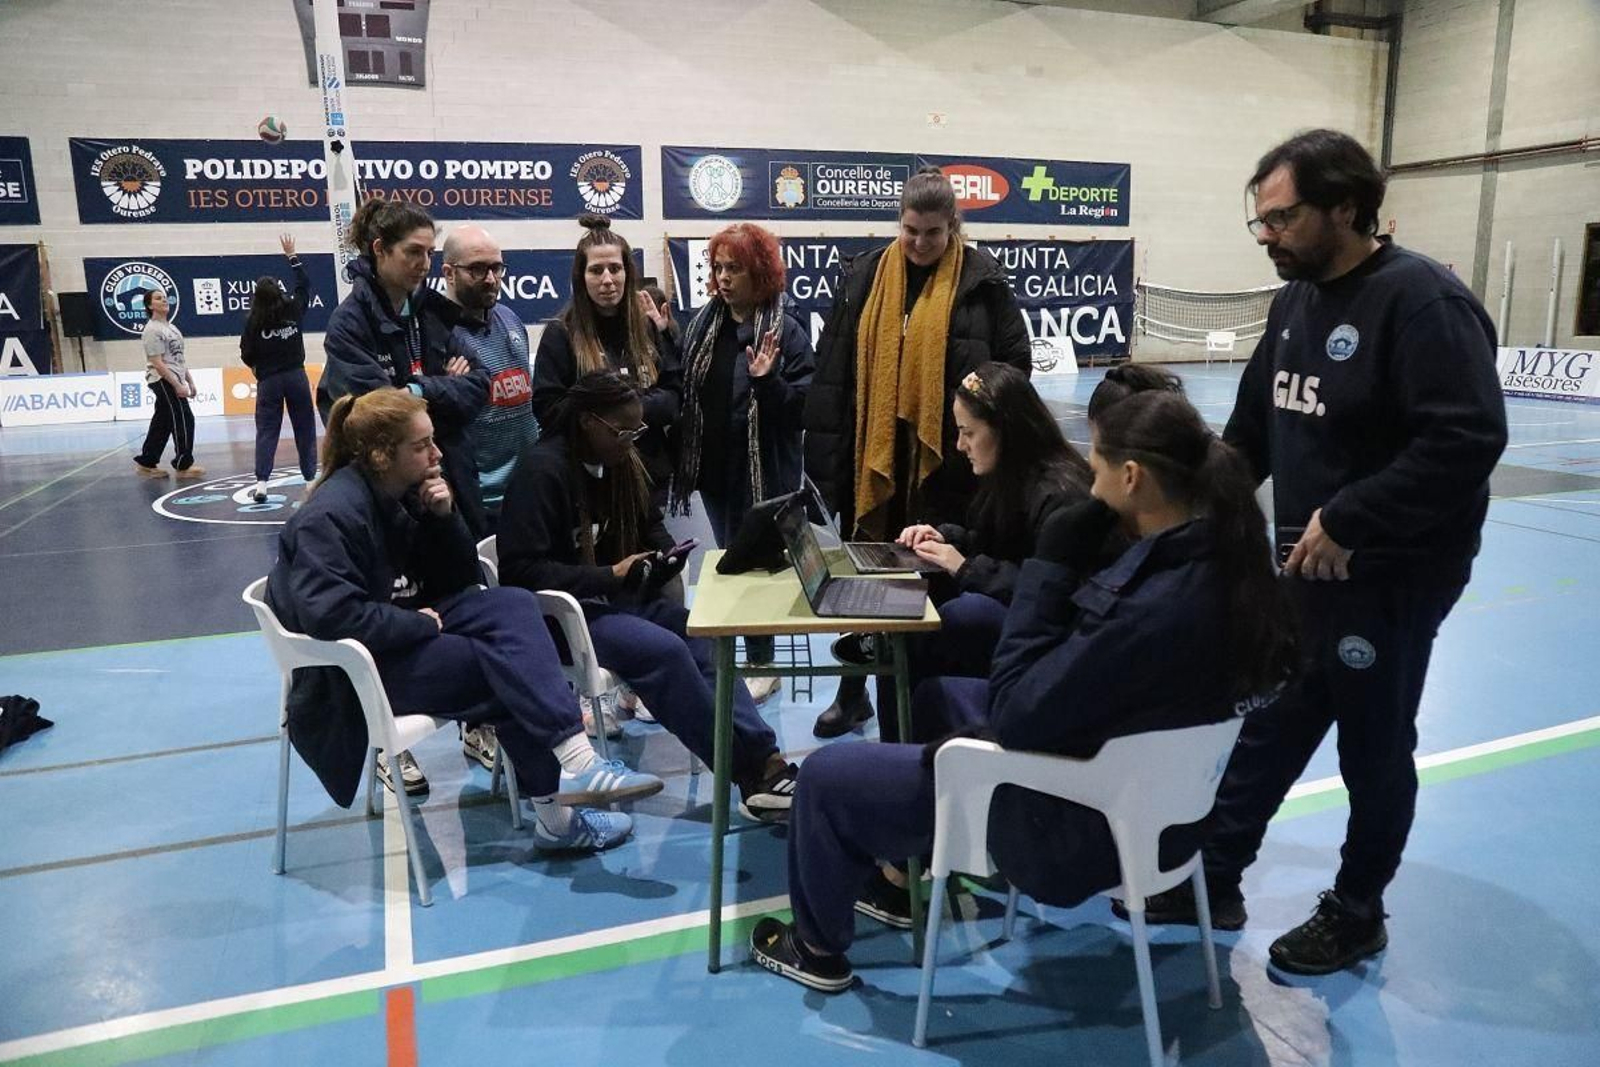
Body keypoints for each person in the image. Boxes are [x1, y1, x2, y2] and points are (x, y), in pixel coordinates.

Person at [750, 389, 1298, 992]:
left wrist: (1050, 570)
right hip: (1165, 811)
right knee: (936, 700)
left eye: (1098, 474)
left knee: (827, 779)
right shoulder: (1230, 566)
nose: (1091, 492)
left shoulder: (1149, 609)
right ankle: (911, 864)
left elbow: (1015, 711)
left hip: (1076, 829)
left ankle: (817, 951)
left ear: (1133, 477)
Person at [1123, 129, 1509, 976]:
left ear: (1345, 207)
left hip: (1392, 575)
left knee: (1372, 745)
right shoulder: (1293, 304)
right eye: (1258, 220)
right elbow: (1252, 433)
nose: (1266, 236)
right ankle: (1213, 876)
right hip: (1304, 569)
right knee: (1269, 721)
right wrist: (1182, 509)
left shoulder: (1422, 303)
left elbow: (1467, 437)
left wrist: (1353, 517)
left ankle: (1359, 909)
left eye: (1283, 218)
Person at [264, 388, 663, 854]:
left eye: (434, 441)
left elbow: (459, 582)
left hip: (393, 635)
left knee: (513, 604)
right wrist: (419, 625)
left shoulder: (399, 493)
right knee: (504, 671)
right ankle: (560, 811)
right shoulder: (331, 515)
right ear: (379, 455)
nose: (437, 454)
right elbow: (331, 616)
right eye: (422, 446)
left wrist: (443, 517)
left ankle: (575, 766)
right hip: (350, 674)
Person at [497, 371, 800, 822]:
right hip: (559, 620)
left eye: (638, 430)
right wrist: (607, 575)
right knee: (665, 652)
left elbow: (649, 524)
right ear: (588, 423)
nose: (631, 440)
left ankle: (765, 757)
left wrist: (664, 556)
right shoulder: (542, 471)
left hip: (611, 601)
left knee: (704, 634)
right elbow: (520, 572)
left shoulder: (619, 466)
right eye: (623, 431)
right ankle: (749, 774)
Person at [803, 166, 1032, 737]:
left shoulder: (984, 283)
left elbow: (1014, 373)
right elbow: (832, 380)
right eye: (911, 231)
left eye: (933, 232)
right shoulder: (863, 279)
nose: (921, 243)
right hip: (873, 460)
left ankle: (915, 717)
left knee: (930, 591)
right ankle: (853, 694)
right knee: (869, 588)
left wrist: (973, 430)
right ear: (898, 223)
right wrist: (827, 475)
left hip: (951, 465)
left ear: (953, 226)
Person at [874, 361, 1091, 742]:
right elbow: (998, 543)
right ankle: (905, 741)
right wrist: (946, 541)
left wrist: (967, 567)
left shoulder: (1060, 494)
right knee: (905, 624)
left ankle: (904, 746)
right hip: (1029, 619)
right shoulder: (1012, 478)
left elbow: (1054, 592)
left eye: (968, 433)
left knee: (957, 618)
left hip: (1059, 640)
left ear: (1005, 430)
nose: (960, 446)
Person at [670, 223, 814, 701]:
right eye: (719, 268)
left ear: (762, 273)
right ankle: (743, 648)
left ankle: (762, 660)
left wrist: (768, 381)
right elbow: (687, 387)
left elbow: (803, 409)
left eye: (737, 268)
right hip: (714, 471)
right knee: (731, 561)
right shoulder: (702, 324)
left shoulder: (786, 331)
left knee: (755, 565)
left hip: (765, 473)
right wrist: (664, 334)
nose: (725, 277)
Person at [320, 197, 491, 544]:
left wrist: (416, 391)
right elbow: (380, 418)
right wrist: (444, 387)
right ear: (381, 249)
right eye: (414, 252)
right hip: (388, 489)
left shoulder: (432, 313)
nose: (424, 264)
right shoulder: (349, 324)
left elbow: (479, 386)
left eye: (430, 253)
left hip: (451, 474)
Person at [531, 215, 682, 511]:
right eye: (596, 270)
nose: (608, 280)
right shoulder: (561, 335)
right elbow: (549, 412)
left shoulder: (648, 328)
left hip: (652, 480)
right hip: (590, 486)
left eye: (615, 268)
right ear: (581, 277)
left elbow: (673, 399)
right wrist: (629, 411)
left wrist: (622, 410)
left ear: (628, 272)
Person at [441, 225, 537, 529]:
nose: (491, 279)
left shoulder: (510, 318)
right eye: (477, 269)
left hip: (528, 493)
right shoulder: (437, 337)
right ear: (449, 272)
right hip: (478, 504)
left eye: (496, 267)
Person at [239, 234, 318, 502]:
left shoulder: (253, 322)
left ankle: (261, 484)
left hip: (269, 381)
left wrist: (258, 369)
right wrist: (292, 256)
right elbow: (305, 284)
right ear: (279, 292)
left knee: (267, 430)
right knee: (304, 427)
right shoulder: (293, 309)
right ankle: (309, 480)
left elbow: (246, 353)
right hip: (296, 375)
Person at [133, 288, 205, 481]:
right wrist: (176, 385)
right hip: (163, 379)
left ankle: (147, 462)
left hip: (175, 377)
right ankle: (183, 465)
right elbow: (157, 362)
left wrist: (189, 380)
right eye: (158, 298)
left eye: (164, 297)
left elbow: (178, 359)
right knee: (183, 418)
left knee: (162, 421)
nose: (163, 300)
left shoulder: (171, 328)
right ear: (150, 305)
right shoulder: (152, 330)